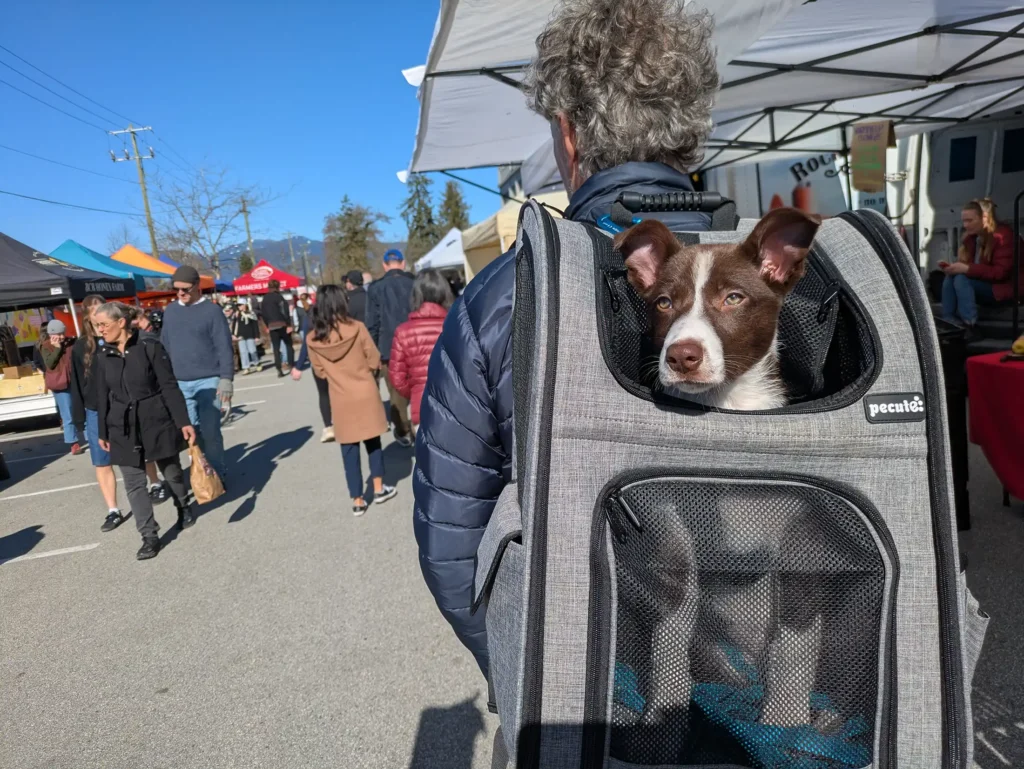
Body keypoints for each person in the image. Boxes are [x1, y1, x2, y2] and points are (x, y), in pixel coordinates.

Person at [413, 0, 719, 689]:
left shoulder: (502, 297)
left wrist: (526, 669)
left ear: (567, 137)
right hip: (771, 683)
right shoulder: (783, 274)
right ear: (691, 132)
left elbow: (452, 541)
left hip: (582, 676)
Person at [93, 303, 196, 560]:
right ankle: (149, 535)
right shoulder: (102, 355)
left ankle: (183, 505)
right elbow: (101, 397)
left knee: (171, 472)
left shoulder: (150, 346)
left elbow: (169, 386)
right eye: (97, 325)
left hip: (156, 419)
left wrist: (183, 421)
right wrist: (103, 432)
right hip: (122, 426)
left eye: (104, 324)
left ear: (121, 322)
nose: (100, 330)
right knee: (133, 482)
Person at [305, 285, 397, 515]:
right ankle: (378, 489)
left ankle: (357, 499)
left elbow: (319, 372)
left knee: (348, 449)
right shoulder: (357, 328)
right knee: (373, 442)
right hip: (365, 391)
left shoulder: (312, 339)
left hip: (340, 397)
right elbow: (374, 359)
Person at [161, 265, 233, 482]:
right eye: (176, 289)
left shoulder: (212, 311)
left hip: (208, 380)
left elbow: (224, 346)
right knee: (191, 434)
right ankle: (202, 474)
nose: (180, 293)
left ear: (197, 286)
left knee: (211, 432)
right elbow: (164, 346)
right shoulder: (171, 311)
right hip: (180, 382)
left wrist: (226, 379)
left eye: (185, 289)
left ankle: (217, 475)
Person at [71, 295, 129, 530]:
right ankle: (113, 510)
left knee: (134, 453)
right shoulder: (80, 346)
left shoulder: (117, 339)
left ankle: (153, 485)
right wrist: (78, 418)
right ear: (86, 315)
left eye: (101, 310)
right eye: (93, 310)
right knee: (102, 463)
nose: (97, 315)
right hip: (95, 410)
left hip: (121, 405)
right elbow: (75, 382)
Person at [941, 198, 1024, 335]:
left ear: (984, 218)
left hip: (1007, 290)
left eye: (970, 220)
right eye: (964, 221)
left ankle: (970, 324)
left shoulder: (1004, 237)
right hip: (985, 287)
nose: (965, 225)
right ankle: (949, 323)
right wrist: (955, 268)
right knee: (952, 278)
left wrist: (967, 269)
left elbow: (1000, 273)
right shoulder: (971, 239)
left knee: (961, 279)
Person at [387, 269, 453, 436]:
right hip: (456, 406)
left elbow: (396, 377)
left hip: (421, 407)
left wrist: (416, 390)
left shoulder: (403, 331)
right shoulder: (457, 326)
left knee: (426, 460)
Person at [366, 249, 415, 447]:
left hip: (388, 347)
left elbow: (373, 323)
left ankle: (403, 429)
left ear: (385, 265)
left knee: (396, 392)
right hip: (415, 342)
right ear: (402, 263)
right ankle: (422, 426)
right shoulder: (415, 283)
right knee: (421, 385)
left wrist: (374, 352)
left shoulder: (376, 288)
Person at [134, 309, 170, 503]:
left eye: (139, 319)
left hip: (158, 398)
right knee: (146, 450)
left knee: (163, 446)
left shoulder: (155, 338)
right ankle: (155, 483)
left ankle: (171, 481)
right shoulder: (131, 343)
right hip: (141, 404)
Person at [291, 296, 334, 442]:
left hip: (318, 360)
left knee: (323, 393)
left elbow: (306, 344)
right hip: (336, 358)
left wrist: (298, 366)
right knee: (340, 390)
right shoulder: (336, 315)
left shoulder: (310, 318)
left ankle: (329, 426)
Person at [37, 319, 83, 456]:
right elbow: (50, 364)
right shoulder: (45, 346)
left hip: (75, 381)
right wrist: (57, 347)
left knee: (83, 409)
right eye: (59, 334)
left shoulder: (71, 343)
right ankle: (73, 442)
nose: (62, 337)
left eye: (63, 333)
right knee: (67, 414)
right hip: (60, 384)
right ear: (51, 333)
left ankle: (90, 437)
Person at [260, 279, 294, 377]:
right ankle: (291, 364)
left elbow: (264, 314)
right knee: (288, 345)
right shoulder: (279, 297)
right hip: (282, 323)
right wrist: (288, 324)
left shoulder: (265, 299)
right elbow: (285, 311)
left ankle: (279, 369)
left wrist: (267, 325)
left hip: (271, 325)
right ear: (277, 287)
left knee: (276, 348)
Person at [232, 302, 261, 374]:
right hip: (240, 335)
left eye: (240, 305)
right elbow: (234, 325)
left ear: (245, 305)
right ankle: (246, 367)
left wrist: (257, 336)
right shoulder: (237, 314)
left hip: (250, 334)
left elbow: (255, 325)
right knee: (243, 352)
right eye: (238, 305)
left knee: (252, 351)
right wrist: (233, 334)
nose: (239, 307)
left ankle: (257, 363)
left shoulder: (251, 313)